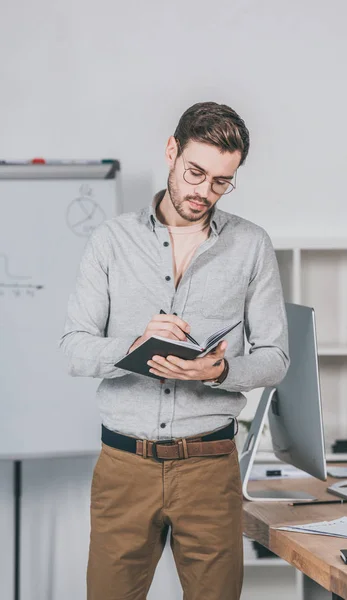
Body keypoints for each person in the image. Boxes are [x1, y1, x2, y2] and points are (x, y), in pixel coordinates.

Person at [59, 101, 289, 600]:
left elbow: (275, 358)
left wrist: (219, 370)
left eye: (221, 181)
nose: (203, 191)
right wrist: (133, 347)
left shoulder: (252, 246)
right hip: (124, 468)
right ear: (172, 151)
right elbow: (74, 349)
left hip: (210, 469)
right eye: (195, 172)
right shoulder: (111, 241)